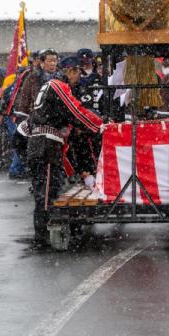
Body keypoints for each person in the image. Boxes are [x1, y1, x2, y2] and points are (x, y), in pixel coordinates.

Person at [26, 55, 104, 245]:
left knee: (45, 188)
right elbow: (75, 111)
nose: (79, 77)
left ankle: (42, 230)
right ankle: (42, 234)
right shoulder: (58, 86)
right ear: (70, 71)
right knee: (46, 190)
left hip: (42, 141)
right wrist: (98, 126)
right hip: (46, 143)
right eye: (77, 72)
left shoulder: (50, 85)